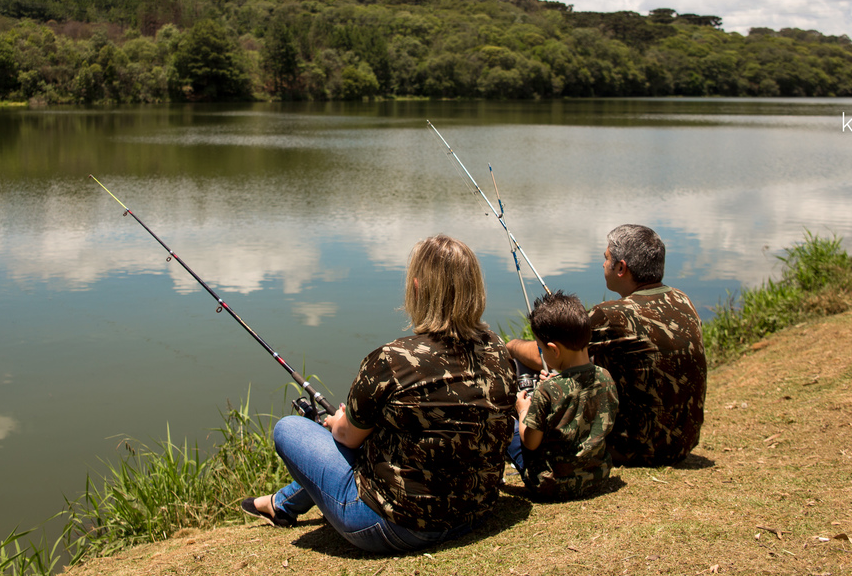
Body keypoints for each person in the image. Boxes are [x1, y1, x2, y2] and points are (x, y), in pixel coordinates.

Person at [242, 234, 516, 553]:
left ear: (416, 288)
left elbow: (348, 440)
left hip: (396, 527)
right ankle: (281, 504)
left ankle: (281, 504)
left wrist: (339, 423)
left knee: (290, 429)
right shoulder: (498, 350)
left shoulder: (391, 360)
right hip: (474, 513)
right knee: (378, 430)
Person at [506, 224, 707, 467]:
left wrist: (512, 345)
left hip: (634, 449)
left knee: (523, 370)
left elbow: (549, 357)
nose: (603, 264)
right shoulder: (682, 299)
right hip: (683, 442)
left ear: (621, 268)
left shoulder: (611, 315)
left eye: (606, 258)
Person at [509, 290, 618, 500]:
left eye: (540, 348)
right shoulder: (605, 377)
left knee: (508, 426)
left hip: (552, 485)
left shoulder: (546, 391)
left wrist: (523, 411)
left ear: (554, 350)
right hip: (597, 475)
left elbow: (530, 442)